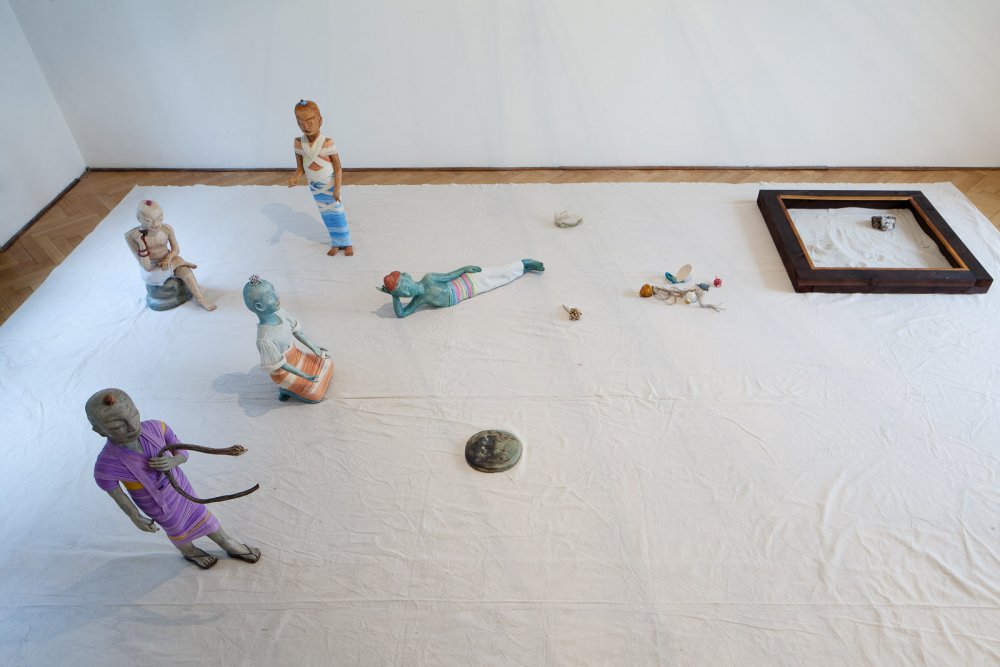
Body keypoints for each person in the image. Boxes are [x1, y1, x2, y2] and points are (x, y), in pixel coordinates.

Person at [87, 388, 260, 569]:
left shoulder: (157, 428)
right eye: (117, 426)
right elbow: (119, 496)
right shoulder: (106, 466)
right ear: (99, 430)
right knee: (176, 527)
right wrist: (135, 517)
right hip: (158, 505)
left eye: (134, 415)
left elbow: (182, 452)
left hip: (183, 489)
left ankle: (226, 542)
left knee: (200, 513)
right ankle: (189, 551)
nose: (132, 426)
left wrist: (174, 461)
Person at [243, 275, 334, 403]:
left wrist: (315, 348)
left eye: (274, 292)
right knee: (315, 394)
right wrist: (304, 375)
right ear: (259, 306)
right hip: (284, 371)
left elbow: (298, 333)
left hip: (297, 356)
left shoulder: (281, 312)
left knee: (328, 363)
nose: (277, 297)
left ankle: (295, 386)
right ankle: (286, 389)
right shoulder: (264, 339)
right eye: (271, 297)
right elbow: (281, 364)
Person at [286, 99, 353, 256]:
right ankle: (336, 242)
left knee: (337, 213)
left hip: (330, 185)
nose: (306, 127)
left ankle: (347, 242)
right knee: (327, 216)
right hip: (315, 187)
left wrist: (337, 189)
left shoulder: (327, 143)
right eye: (301, 123)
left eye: (310, 121)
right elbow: (300, 168)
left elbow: (338, 168)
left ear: (320, 120)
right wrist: (295, 178)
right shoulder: (298, 143)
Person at [124, 199, 216, 311]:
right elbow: (147, 267)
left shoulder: (166, 229)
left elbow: (176, 249)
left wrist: (168, 258)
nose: (156, 224)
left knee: (187, 273)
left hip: (169, 262)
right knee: (170, 265)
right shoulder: (132, 236)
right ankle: (181, 262)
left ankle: (200, 298)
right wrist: (142, 246)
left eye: (160, 219)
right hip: (152, 270)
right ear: (139, 218)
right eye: (149, 221)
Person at [378, 259, 544, 318]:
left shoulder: (429, 278)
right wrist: (394, 296)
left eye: (406, 287)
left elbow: (449, 276)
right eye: (403, 293)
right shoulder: (420, 300)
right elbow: (402, 313)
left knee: (499, 272)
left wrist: (465, 269)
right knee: (499, 281)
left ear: (408, 277)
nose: (407, 292)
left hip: (466, 281)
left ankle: (524, 263)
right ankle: (523, 269)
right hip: (469, 292)